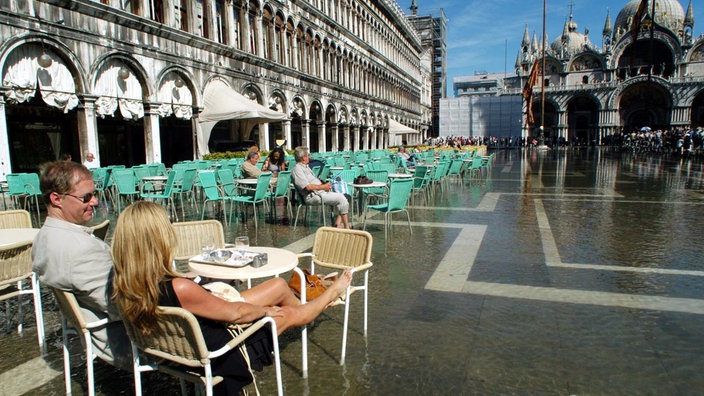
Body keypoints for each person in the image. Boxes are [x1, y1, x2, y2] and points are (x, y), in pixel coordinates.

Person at [111, 201, 352, 395]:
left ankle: (306, 308)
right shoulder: (179, 288)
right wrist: (266, 312)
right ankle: (330, 293)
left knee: (278, 285)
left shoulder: (124, 283)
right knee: (283, 314)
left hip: (190, 338)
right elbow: (236, 314)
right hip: (223, 350)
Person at [32, 161, 131, 369]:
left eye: (94, 194)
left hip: (92, 331)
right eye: (86, 197)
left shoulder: (42, 238)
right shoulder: (82, 249)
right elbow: (124, 306)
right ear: (57, 199)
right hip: (124, 342)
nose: (94, 202)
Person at [291, 146, 350, 229]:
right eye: (308, 155)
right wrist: (323, 187)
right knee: (341, 198)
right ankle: (347, 227)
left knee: (346, 195)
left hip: (320, 192)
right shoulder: (297, 170)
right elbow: (307, 187)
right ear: (303, 157)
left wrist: (325, 185)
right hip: (313, 196)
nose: (309, 157)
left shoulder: (306, 167)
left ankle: (338, 223)